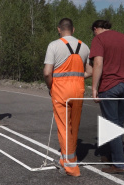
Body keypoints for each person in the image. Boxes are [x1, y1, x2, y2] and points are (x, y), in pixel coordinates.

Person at [89, 20, 124, 175]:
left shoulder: (98, 39)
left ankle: (119, 165)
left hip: (109, 86)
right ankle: (111, 156)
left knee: (111, 125)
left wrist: (93, 88)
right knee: (118, 122)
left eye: (93, 31)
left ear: (96, 29)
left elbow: (98, 63)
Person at [43, 18, 92, 177]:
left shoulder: (54, 45)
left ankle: (71, 166)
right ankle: (66, 159)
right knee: (73, 127)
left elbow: (47, 72)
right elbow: (90, 72)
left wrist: (51, 86)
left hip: (60, 90)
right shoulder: (84, 46)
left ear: (59, 29)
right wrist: (76, 77)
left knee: (63, 128)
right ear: (73, 29)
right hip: (78, 90)